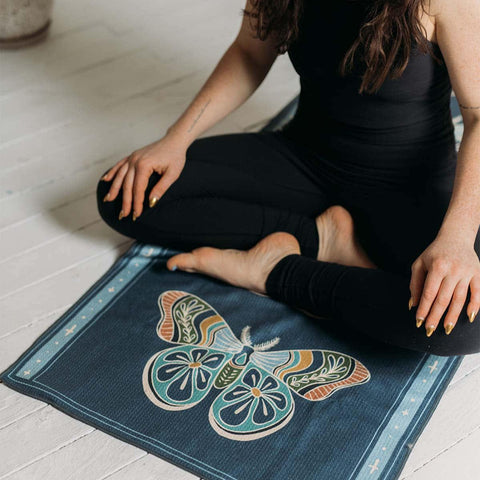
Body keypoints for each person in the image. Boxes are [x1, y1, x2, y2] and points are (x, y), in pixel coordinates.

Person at [96, 0, 480, 356]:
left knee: (467, 321)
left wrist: (457, 238)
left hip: (407, 186)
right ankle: (321, 238)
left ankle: (275, 271)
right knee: (127, 193)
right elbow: (249, 55)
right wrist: (176, 139)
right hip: (304, 158)